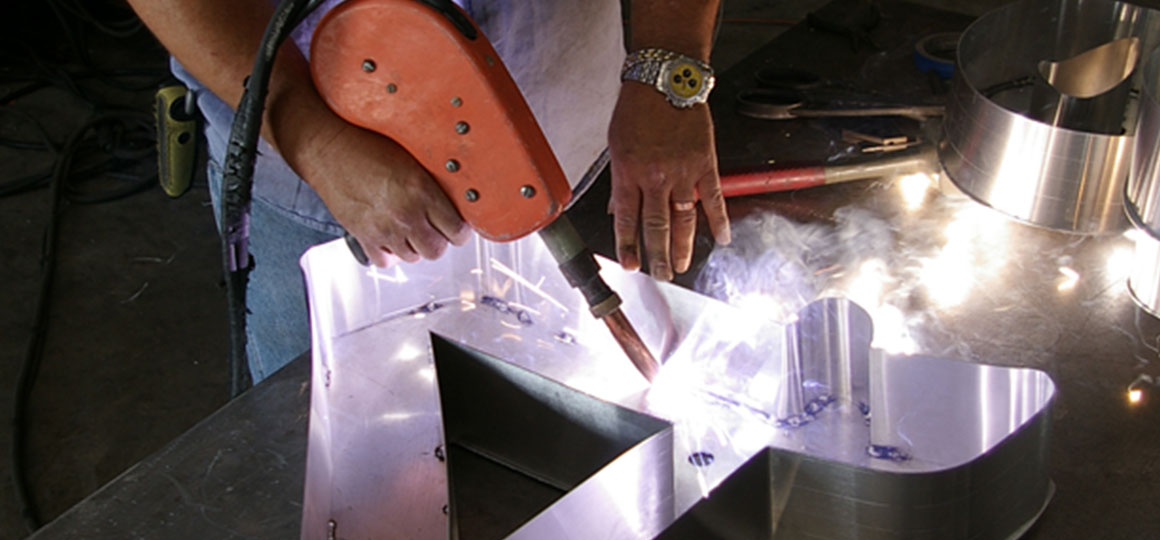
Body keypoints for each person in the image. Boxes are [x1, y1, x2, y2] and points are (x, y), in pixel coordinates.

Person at [125, 0, 731, 382]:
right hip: (331, 184)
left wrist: (667, 71)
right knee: (337, 478)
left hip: (574, 141)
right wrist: (318, 142)